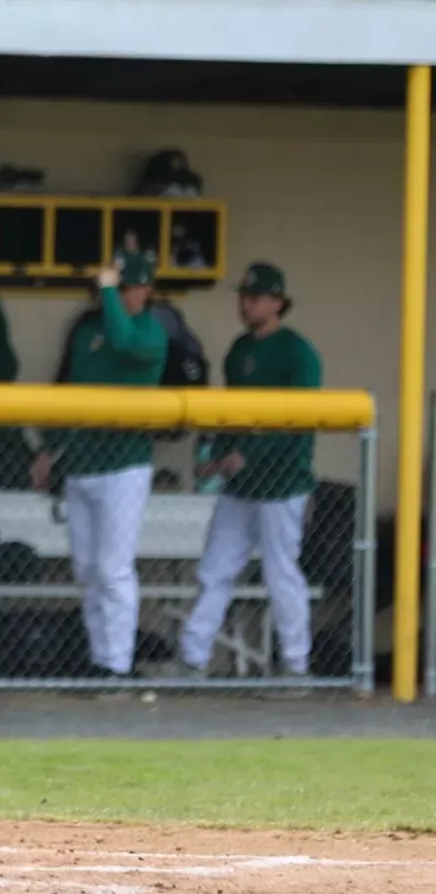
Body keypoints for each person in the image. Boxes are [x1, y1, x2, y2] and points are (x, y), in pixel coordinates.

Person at [179, 263, 321, 678]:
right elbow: (230, 415)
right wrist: (216, 453)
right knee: (215, 569)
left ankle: (296, 665)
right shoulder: (239, 350)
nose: (247, 304)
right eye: (244, 296)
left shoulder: (298, 351)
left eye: (256, 297)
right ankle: (192, 659)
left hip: (282, 482)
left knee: (281, 574)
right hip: (239, 485)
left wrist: (250, 455)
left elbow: (299, 419)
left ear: (278, 303)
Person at [32, 250, 168, 681]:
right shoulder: (87, 330)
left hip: (124, 467)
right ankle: (98, 659)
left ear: (145, 290)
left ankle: (118, 663)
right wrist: (50, 450)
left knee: (113, 569)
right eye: (112, 288)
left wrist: (109, 291)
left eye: (127, 287)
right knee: (87, 570)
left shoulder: (152, 330)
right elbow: (69, 391)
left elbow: (123, 339)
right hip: (81, 464)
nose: (115, 295)